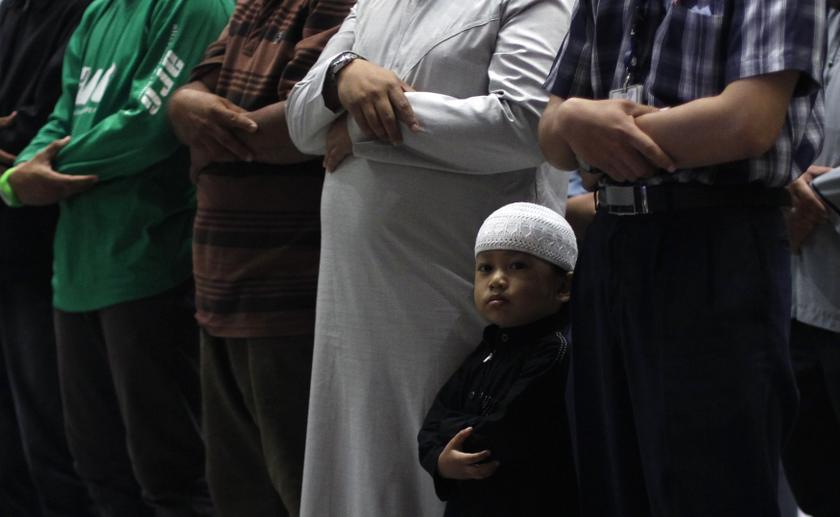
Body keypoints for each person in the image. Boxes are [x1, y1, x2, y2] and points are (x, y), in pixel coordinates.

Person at [285, 0, 573, 514]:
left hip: (453, 280)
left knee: (444, 448)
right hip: (358, 290)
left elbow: (528, 122)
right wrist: (342, 74)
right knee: (359, 450)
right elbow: (300, 121)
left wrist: (359, 126)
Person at [538, 0, 823, 515]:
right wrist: (576, 119)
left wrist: (588, 130)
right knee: (610, 480)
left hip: (715, 236)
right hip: (611, 240)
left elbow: (747, 121)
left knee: (710, 485)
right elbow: (552, 136)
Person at [0, 0, 233, 514]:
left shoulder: (194, 6)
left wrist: (28, 172)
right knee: (96, 470)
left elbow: (149, 123)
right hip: (76, 269)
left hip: (151, 262)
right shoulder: (100, 10)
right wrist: (17, 179)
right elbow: (61, 114)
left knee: (171, 476)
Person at [166, 0, 354, 515]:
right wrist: (183, 105)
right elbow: (192, 93)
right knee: (237, 495)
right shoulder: (250, 5)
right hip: (219, 286)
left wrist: (203, 131)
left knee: (306, 494)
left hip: (290, 294)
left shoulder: (340, 5)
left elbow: (300, 120)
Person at [418, 202, 579, 517]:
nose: (497, 280)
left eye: (517, 266)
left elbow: (504, 430)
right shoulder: (490, 347)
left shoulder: (555, 351)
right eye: (486, 268)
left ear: (563, 286)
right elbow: (434, 420)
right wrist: (438, 458)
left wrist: (453, 439)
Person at [0, 1, 94, 515]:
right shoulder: (12, 12)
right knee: (13, 448)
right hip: (13, 250)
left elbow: (44, 135)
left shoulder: (83, 13)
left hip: (46, 254)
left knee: (54, 446)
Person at [782, 4, 840, 516]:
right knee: (811, 482)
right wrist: (783, 179)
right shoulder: (812, 20)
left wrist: (811, 189)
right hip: (795, 305)